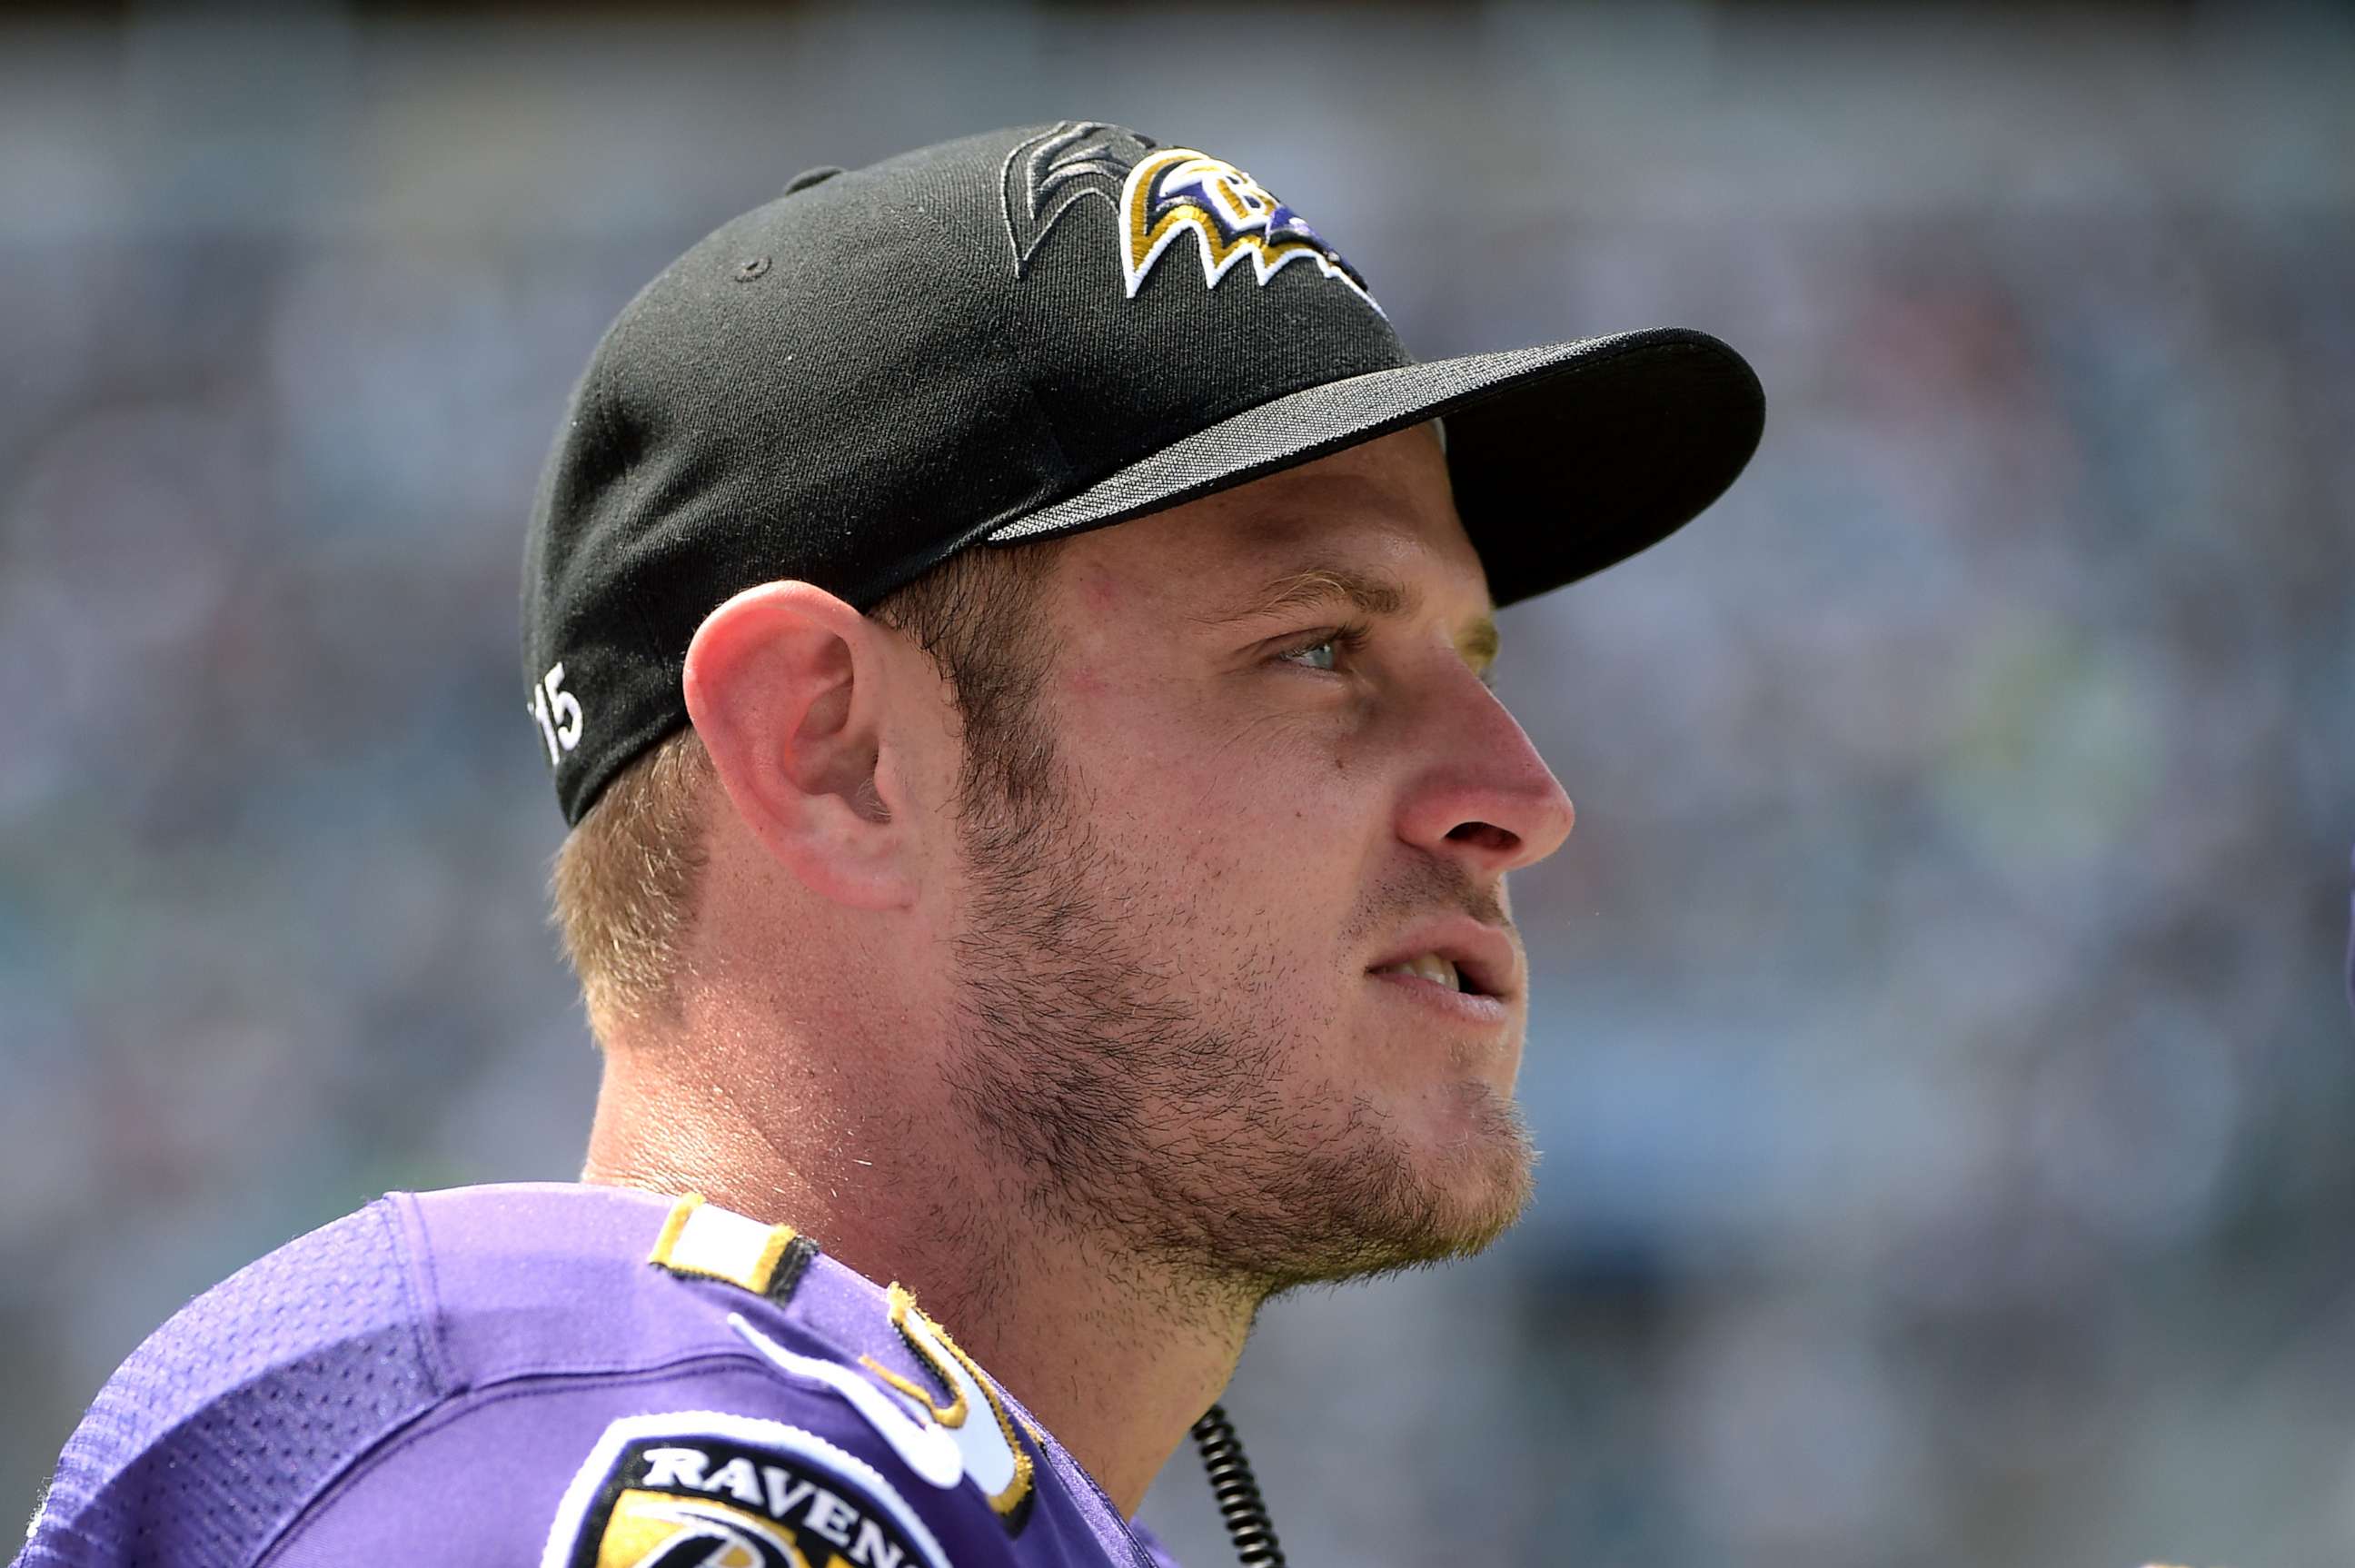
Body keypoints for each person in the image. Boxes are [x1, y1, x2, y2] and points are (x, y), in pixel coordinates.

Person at [17, 121, 1762, 1567]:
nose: (1523, 794)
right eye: (1316, 647)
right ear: (831, 749)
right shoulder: (618, 1482)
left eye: (1470, 660)